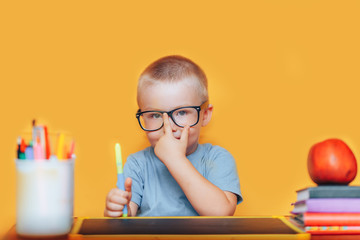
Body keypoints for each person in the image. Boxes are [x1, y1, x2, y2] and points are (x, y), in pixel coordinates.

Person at [104, 55, 242, 217]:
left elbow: (221, 213)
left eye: (182, 112)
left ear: (204, 115)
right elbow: (126, 221)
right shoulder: (137, 164)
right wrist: (118, 210)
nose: (168, 127)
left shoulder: (217, 158)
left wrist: (175, 160)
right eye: (155, 115)